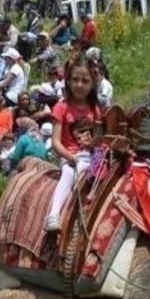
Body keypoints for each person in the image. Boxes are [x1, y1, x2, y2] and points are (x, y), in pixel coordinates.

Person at [44, 55, 102, 232]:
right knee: (68, 174)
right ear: (68, 81)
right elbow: (55, 142)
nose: (79, 85)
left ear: (92, 84)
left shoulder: (95, 109)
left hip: (91, 157)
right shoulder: (61, 108)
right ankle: (53, 215)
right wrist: (72, 158)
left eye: (85, 81)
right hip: (70, 157)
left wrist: (95, 146)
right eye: (75, 79)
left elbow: (98, 139)